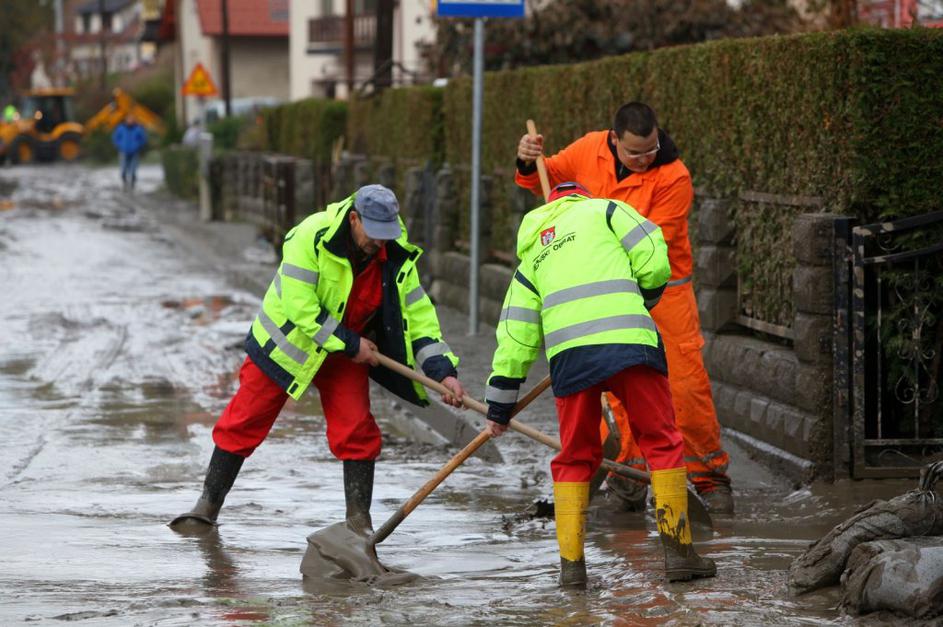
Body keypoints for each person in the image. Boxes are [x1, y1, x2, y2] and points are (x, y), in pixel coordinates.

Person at [171, 185, 466, 532]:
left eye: (387, 235)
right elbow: (301, 307)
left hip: (346, 353)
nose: (380, 244)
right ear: (354, 219)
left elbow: (419, 318)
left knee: (356, 428)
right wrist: (351, 343)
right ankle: (207, 505)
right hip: (287, 347)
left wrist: (443, 373)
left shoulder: (396, 255)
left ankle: (359, 525)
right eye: (374, 235)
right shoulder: (310, 236)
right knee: (244, 421)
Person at [484, 182, 717, 587]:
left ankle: (572, 571)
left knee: (575, 456)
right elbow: (653, 253)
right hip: (630, 343)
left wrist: (499, 405)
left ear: (549, 207)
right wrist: (644, 297)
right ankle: (679, 557)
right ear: (581, 197)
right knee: (661, 442)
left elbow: (516, 335)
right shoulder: (607, 210)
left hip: (570, 360)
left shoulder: (532, 253)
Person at [515, 102, 733, 514]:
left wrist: (588, 257)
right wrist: (528, 161)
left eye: (651, 149)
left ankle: (708, 478)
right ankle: (629, 479)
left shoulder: (673, 176)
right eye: (635, 152)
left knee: (684, 387)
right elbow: (549, 180)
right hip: (603, 292)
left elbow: (654, 245)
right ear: (613, 140)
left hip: (661, 290)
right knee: (617, 383)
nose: (644, 159)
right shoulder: (588, 149)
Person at [111, 114, 147, 192]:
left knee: (133, 169)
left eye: (132, 119)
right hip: (123, 151)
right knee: (123, 168)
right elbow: (115, 138)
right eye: (129, 119)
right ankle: (124, 182)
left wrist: (138, 145)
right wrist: (119, 145)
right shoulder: (120, 128)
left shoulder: (138, 128)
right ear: (126, 120)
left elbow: (143, 139)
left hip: (134, 152)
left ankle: (132, 184)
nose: (130, 121)